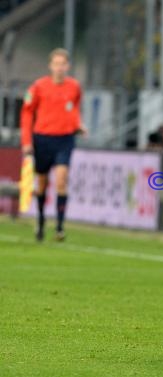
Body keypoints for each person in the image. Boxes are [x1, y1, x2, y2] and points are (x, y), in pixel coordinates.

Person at [20, 48, 85, 241]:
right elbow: (27, 113)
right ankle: (40, 222)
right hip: (42, 139)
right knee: (42, 184)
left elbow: (74, 110)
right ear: (50, 66)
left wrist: (77, 125)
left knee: (62, 179)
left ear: (68, 66)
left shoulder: (74, 87)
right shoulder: (38, 87)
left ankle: (59, 227)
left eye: (63, 64)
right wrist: (26, 141)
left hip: (64, 139)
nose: (59, 68)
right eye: (56, 64)